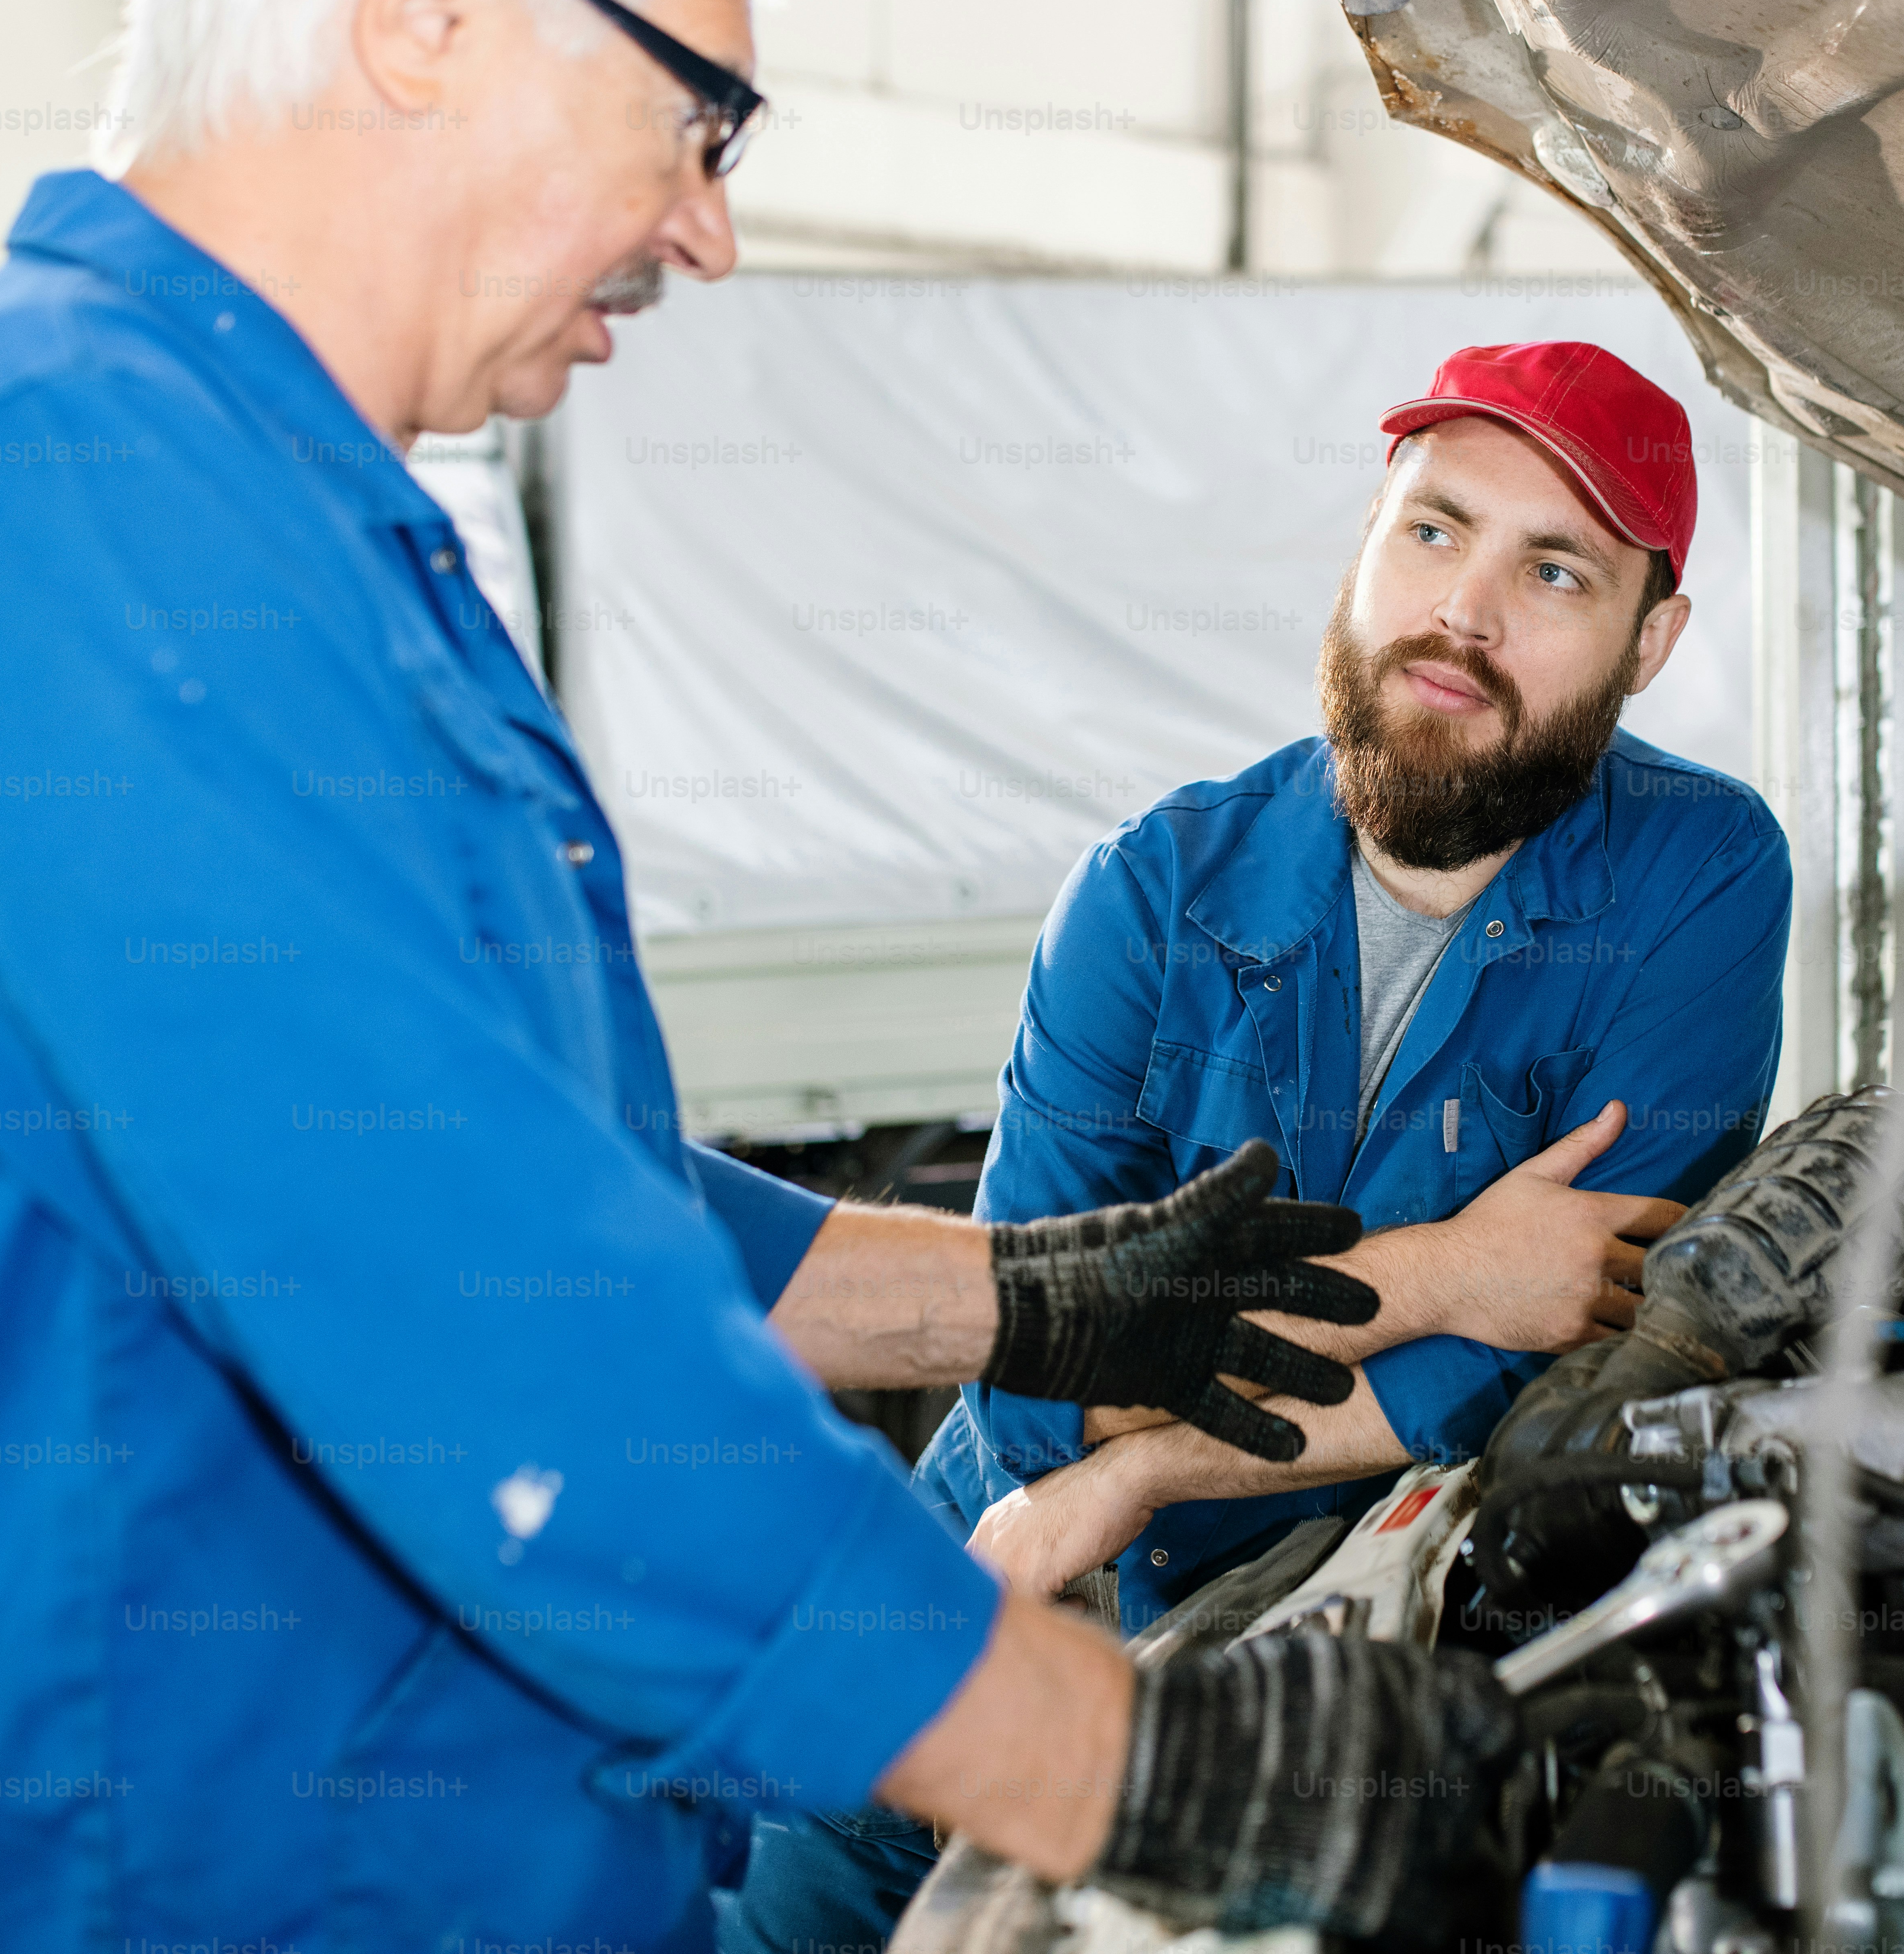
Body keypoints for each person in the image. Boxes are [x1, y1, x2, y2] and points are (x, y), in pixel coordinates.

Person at [0, 0, 1512, 1948]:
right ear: (434, 11)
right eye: (700, 118)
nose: (708, 231)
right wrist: (1144, 1764)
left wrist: (1026, 1300)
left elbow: (546, 1187)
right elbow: (465, 1312)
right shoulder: (54, 491)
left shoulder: (289, 526)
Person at [727, 340, 1792, 1954]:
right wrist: (1451, 1273)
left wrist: (1153, 1452)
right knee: (805, 1900)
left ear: (1654, 639)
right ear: (1365, 546)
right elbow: (1031, 1358)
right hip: (1009, 1540)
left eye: (1554, 566)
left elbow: (1559, 1356)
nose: (1466, 609)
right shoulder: (1148, 892)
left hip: (1352, 1580)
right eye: (1432, 529)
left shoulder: (1702, 881)